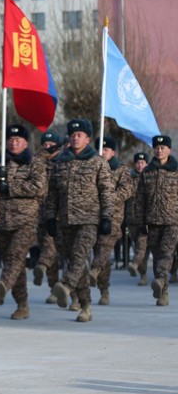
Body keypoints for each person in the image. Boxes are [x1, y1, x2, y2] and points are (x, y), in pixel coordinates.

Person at [46, 119, 114, 322]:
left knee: (78, 255)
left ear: (87, 138)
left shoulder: (97, 162)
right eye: (72, 134)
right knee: (77, 265)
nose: (75, 138)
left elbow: (106, 192)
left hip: (89, 220)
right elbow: (52, 194)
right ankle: (85, 305)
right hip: (65, 220)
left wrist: (106, 217)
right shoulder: (61, 162)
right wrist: (50, 217)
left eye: (79, 135)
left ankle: (65, 286)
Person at [0, 124, 46, 321]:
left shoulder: (34, 163)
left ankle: (3, 284)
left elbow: (38, 187)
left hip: (25, 221)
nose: (13, 142)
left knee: (15, 255)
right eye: (10, 139)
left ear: (26, 142)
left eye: (18, 139)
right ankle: (22, 304)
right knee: (14, 264)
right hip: (1, 221)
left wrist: (9, 186)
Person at [89, 135, 133, 305]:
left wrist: (108, 197)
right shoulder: (91, 167)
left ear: (113, 152)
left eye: (106, 150)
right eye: (100, 149)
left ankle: (94, 271)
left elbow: (127, 190)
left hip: (113, 217)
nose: (102, 152)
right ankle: (104, 288)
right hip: (93, 216)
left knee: (104, 249)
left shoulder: (121, 170)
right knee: (101, 253)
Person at [136, 135, 178, 306]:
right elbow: (140, 200)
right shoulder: (147, 172)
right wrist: (140, 223)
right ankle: (163, 292)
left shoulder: (176, 170)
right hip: (152, 220)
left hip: (173, 220)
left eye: (162, 148)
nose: (159, 151)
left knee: (166, 253)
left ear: (169, 150)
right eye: (156, 148)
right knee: (156, 255)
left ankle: (160, 279)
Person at [32, 130, 65, 302]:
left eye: (51, 145)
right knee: (48, 248)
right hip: (41, 214)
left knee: (58, 252)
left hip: (61, 214)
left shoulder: (63, 161)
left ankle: (42, 266)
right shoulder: (37, 163)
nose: (47, 147)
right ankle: (54, 289)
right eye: (44, 145)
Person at [126, 152, 151, 285]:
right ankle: (143, 274)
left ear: (146, 164)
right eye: (138, 162)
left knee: (141, 246)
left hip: (146, 220)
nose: (140, 165)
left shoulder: (149, 178)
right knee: (140, 247)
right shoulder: (129, 178)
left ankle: (135, 264)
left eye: (142, 162)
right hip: (132, 219)